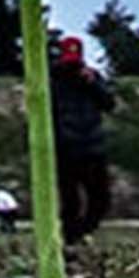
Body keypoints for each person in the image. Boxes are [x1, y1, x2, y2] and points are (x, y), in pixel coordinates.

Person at [48, 29, 114, 244]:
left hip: (92, 146)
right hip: (65, 147)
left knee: (101, 198)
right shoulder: (52, 80)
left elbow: (109, 103)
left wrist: (92, 83)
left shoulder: (92, 77)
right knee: (70, 201)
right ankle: (70, 239)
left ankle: (83, 230)